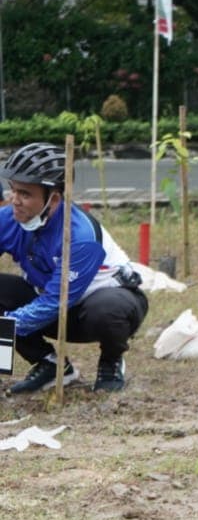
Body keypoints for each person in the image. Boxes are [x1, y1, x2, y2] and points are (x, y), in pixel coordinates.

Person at [0, 142, 148, 394]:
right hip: (51, 304)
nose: (15, 200)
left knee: (106, 310)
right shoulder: (10, 218)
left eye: (25, 194)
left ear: (54, 199)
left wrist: (6, 326)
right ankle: (49, 364)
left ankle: (111, 361)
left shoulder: (80, 237)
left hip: (98, 308)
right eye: (12, 190)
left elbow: (56, 302)